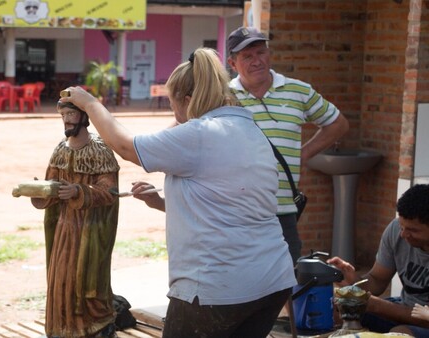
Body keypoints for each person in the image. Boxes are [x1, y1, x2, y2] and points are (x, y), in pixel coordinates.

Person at [60, 47, 296, 338]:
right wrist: (161, 202)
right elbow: (227, 201)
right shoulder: (249, 129)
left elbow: (124, 146)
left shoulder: (200, 133)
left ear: (188, 101)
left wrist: (90, 103)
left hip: (218, 287)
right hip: (272, 280)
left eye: (174, 106)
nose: (176, 116)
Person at [226, 26, 350, 264]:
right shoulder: (222, 96)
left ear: (269, 53)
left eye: (261, 52)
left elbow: (338, 124)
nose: (256, 61)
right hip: (237, 211)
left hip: (283, 210)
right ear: (233, 64)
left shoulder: (298, 91)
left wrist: (302, 155)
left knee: (286, 281)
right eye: (247, 57)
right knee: (242, 284)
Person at [30, 100, 120, 338]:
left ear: (84, 116)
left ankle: (94, 327)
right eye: (63, 114)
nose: (67, 119)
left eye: (72, 113)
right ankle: (62, 328)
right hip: (64, 229)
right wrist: (39, 191)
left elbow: (110, 192)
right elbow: (52, 187)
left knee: (87, 286)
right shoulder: (60, 149)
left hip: (90, 230)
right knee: (61, 280)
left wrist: (80, 192)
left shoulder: (100, 150)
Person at [327, 184, 429, 336]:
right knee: (336, 311)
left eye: (413, 230)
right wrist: (353, 281)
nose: (403, 234)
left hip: (422, 321)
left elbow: (425, 319)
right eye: (402, 227)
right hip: (402, 309)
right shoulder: (396, 230)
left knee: (399, 334)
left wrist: (377, 306)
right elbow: (377, 280)